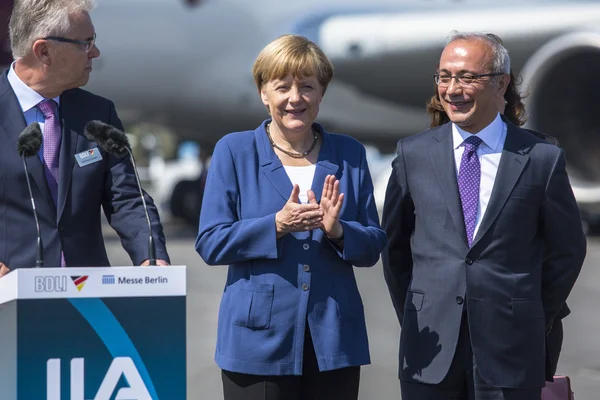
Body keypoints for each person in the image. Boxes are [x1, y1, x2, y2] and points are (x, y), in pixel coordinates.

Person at [382, 31, 586, 399]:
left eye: (467, 77)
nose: (452, 89)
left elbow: (567, 251)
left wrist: (530, 316)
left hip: (512, 349)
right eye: (444, 77)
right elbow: (396, 251)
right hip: (429, 350)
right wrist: (420, 313)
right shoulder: (412, 155)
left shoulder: (541, 158)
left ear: (501, 84)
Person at [195, 34, 386, 400]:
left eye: (307, 87)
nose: (294, 98)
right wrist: (277, 225)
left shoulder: (349, 153)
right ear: (263, 93)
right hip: (257, 342)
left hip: (334, 339)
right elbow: (210, 242)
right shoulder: (234, 151)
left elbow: (373, 243)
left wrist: (338, 232)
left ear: (322, 93)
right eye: (282, 87)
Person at [0, 0, 169, 275]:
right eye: (85, 43)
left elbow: (127, 197)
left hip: (86, 300)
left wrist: (151, 256)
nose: (95, 52)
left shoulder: (99, 113)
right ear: (44, 51)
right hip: (8, 299)